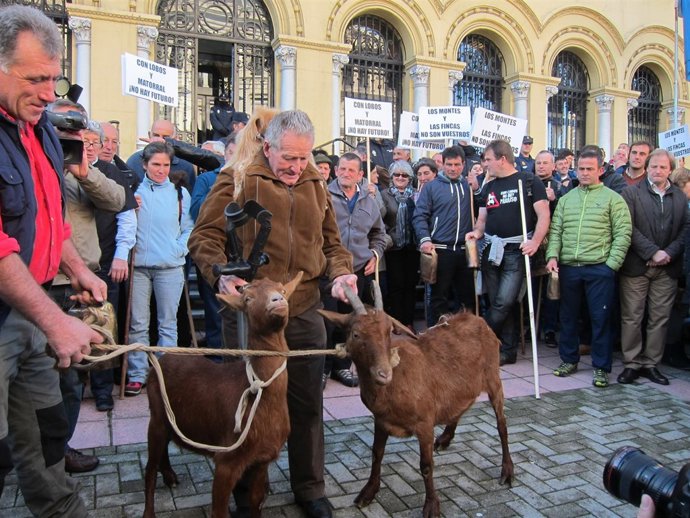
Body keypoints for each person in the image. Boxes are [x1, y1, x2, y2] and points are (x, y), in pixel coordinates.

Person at [189, 110, 356, 518]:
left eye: (304, 158)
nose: (297, 168)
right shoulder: (238, 178)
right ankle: (246, 491)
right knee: (248, 404)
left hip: (302, 313)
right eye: (289, 159)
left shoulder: (317, 185)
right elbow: (204, 237)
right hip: (251, 316)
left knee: (306, 404)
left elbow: (332, 244)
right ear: (268, 147)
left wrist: (341, 274)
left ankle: (309, 487)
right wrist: (219, 277)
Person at [0, 5, 108, 515]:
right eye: (36, 78)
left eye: (54, 77)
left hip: (30, 308)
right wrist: (55, 321)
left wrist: (78, 269)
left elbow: (49, 221)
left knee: (48, 430)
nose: (49, 93)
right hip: (13, 314)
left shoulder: (40, 126)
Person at [546, 147, 632, 388]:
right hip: (570, 268)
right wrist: (553, 255)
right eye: (580, 169)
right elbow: (556, 232)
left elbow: (623, 234)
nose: (584, 173)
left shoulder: (613, 199)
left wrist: (610, 265)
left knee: (600, 318)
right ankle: (568, 360)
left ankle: (602, 367)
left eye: (589, 169)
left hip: (599, 268)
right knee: (568, 317)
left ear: (600, 170)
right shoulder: (566, 199)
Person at [466, 140, 550, 365]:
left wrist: (535, 241)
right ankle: (506, 350)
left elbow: (543, 215)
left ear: (502, 159)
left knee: (504, 302)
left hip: (516, 251)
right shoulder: (489, 186)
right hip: (492, 250)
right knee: (499, 304)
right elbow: (482, 219)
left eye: (488, 160)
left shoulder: (528, 181)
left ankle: (475, 341)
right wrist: (476, 232)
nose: (485, 165)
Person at [124, 142, 194, 396]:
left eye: (165, 165)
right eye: (156, 164)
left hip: (170, 267)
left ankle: (168, 374)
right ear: (145, 164)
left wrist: (178, 249)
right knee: (138, 324)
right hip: (140, 267)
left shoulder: (179, 193)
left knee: (168, 324)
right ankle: (136, 375)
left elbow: (189, 228)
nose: (161, 170)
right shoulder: (134, 191)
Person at [618, 149, 688, 386]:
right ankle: (631, 363)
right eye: (654, 166)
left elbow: (684, 230)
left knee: (659, 318)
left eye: (663, 167)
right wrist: (652, 252)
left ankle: (651, 364)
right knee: (632, 317)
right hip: (637, 265)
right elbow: (629, 227)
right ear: (647, 168)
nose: (658, 171)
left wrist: (667, 253)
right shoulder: (630, 193)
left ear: (670, 170)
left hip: (667, 268)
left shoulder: (679, 197)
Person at [325, 152, 388, 386]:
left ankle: (342, 366)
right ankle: (324, 367)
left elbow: (380, 234)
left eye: (351, 170)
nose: (345, 173)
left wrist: (375, 254)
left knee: (351, 322)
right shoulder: (323, 196)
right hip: (329, 271)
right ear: (335, 170)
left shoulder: (369, 201)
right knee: (327, 322)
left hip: (358, 271)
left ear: (361, 174)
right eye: (342, 169)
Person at [413, 145, 476, 324]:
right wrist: (425, 239)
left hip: (465, 250)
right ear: (443, 165)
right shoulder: (431, 187)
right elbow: (420, 215)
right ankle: (436, 339)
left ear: (463, 164)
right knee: (439, 298)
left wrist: (477, 189)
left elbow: (482, 209)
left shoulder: (469, 185)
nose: (453, 168)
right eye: (449, 164)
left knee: (467, 299)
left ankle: (465, 338)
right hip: (441, 249)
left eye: (457, 164)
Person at [381, 160, 419, 332]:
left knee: (410, 285)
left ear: (410, 178)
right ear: (391, 176)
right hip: (393, 247)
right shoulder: (383, 195)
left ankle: (408, 320)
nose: (400, 177)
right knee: (396, 286)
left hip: (412, 247)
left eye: (404, 175)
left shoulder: (417, 195)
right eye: (397, 174)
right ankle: (397, 322)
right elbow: (380, 219)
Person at [126, 119, 197, 189]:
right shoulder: (134, 161)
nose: (159, 140)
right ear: (149, 135)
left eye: (165, 137)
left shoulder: (185, 165)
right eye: (156, 135)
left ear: (175, 139)